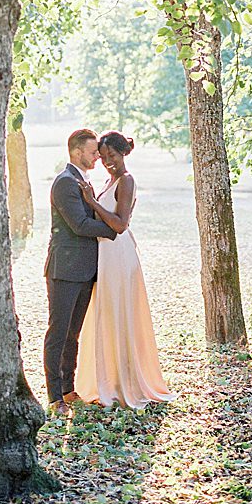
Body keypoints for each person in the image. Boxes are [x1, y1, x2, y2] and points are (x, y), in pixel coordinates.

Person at [74, 130, 175, 409]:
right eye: (103, 157)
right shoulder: (110, 180)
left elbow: (120, 225)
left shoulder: (127, 181)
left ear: (123, 153)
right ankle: (111, 379)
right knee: (108, 315)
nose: (108, 162)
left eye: (113, 156)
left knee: (120, 314)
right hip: (105, 257)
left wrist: (92, 202)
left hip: (119, 254)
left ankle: (127, 382)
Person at [43, 128, 117, 417]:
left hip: (85, 270)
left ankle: (68, 390)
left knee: (73, 334)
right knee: (58, 333)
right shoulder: (65, 183)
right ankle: (54, 396)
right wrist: (116, 227)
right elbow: (79, 225)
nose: (97, 156)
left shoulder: (83, 180)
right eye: (92, 151)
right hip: (64, 269)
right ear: (76, 152)